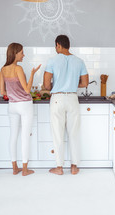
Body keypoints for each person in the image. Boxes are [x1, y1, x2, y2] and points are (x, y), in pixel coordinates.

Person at [43, 35, 89, 175]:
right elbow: (85, 83)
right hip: (73, 99)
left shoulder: (52, 61)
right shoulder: (79, 61)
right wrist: (72, 84)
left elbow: (46, 84)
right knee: (74, 133)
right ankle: (74, 167)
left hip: (57, 98)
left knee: (58, 134)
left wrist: (56, 85)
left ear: (58, 45)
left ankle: (59, 167)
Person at [0, 42, 41, 176]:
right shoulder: (18, 69)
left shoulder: (3, 69)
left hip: (12, 106)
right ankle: (24, 169)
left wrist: (13, 92)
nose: (24, 55)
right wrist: (33, 74)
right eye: (22, 52)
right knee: (25, 137)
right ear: (15, 53)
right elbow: (28, 90)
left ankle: (14, 168)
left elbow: (2, 92)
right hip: (25, 105)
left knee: (13, 136)